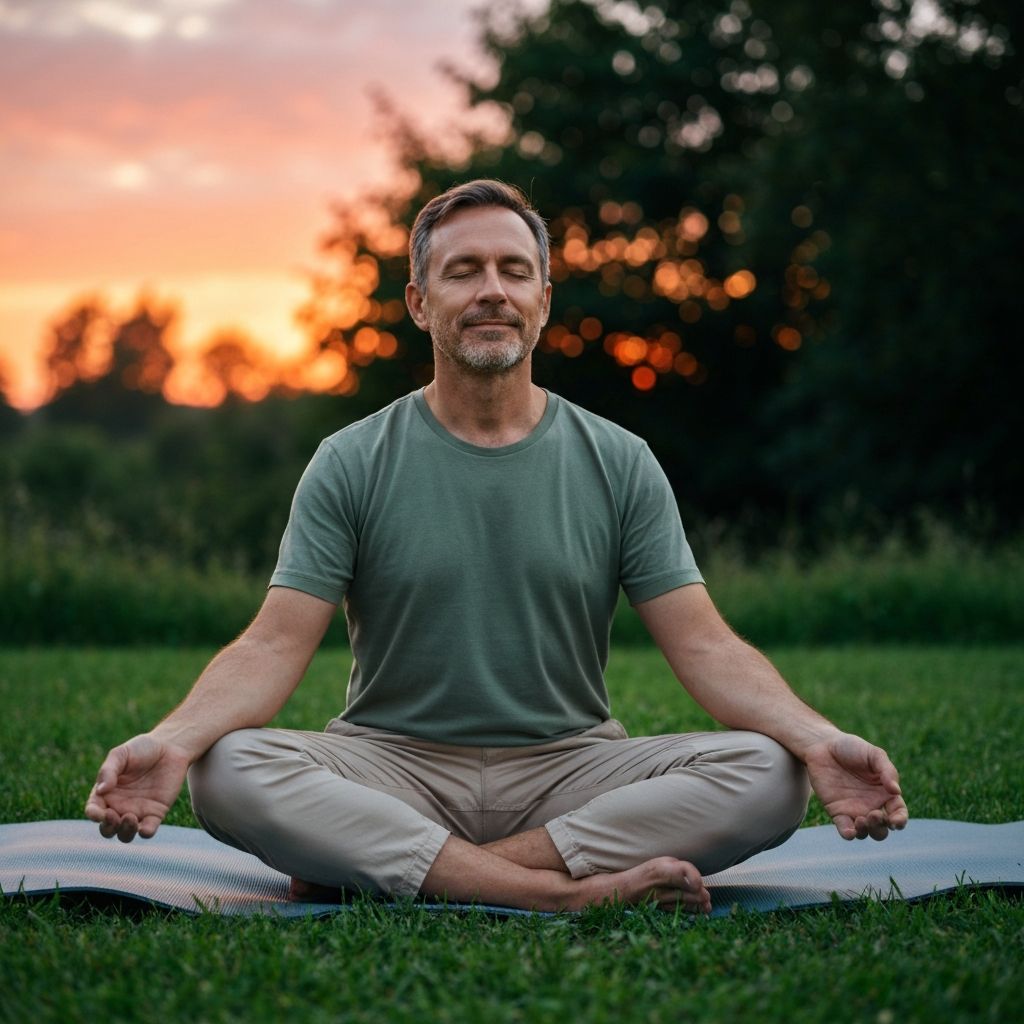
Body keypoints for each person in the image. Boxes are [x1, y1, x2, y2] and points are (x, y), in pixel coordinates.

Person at [85, 180, 908, 914]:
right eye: (464, 271)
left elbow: (703, 643)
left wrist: (813, 737)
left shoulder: (618, 459)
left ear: (544, 299)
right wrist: (177, 737)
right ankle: (559, 897)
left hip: (571, 774)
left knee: (769, 777)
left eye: (514, 271)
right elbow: (271, 643)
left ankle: (401, 872)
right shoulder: (350, 459)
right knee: (226, 771)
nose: (492, 292)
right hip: (390, 770)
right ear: (418, 301)